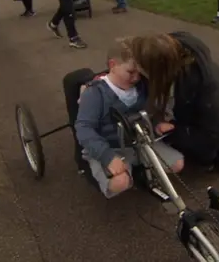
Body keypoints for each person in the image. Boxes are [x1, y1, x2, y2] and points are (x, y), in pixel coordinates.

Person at [125, 32, 219, 171]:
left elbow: (214, 136)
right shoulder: (168, 52)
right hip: (196, 125)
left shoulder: (204, 85)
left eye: (141, 69)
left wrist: (174, 132)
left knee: (175, 160)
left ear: (158, 70)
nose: (137, 73)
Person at [74, 38, 184, 198]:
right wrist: (107, 157)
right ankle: (129, 174)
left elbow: (152, 108)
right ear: (112, 65)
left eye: (139, 72)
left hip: (140, 142)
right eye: (130, 72)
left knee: (177, 164)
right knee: (120, 183)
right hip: (111, 147)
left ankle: (139, 172)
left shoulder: (141, 86)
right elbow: (84, 129)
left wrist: (158, 123)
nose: (136, 78)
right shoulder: (95, 94)